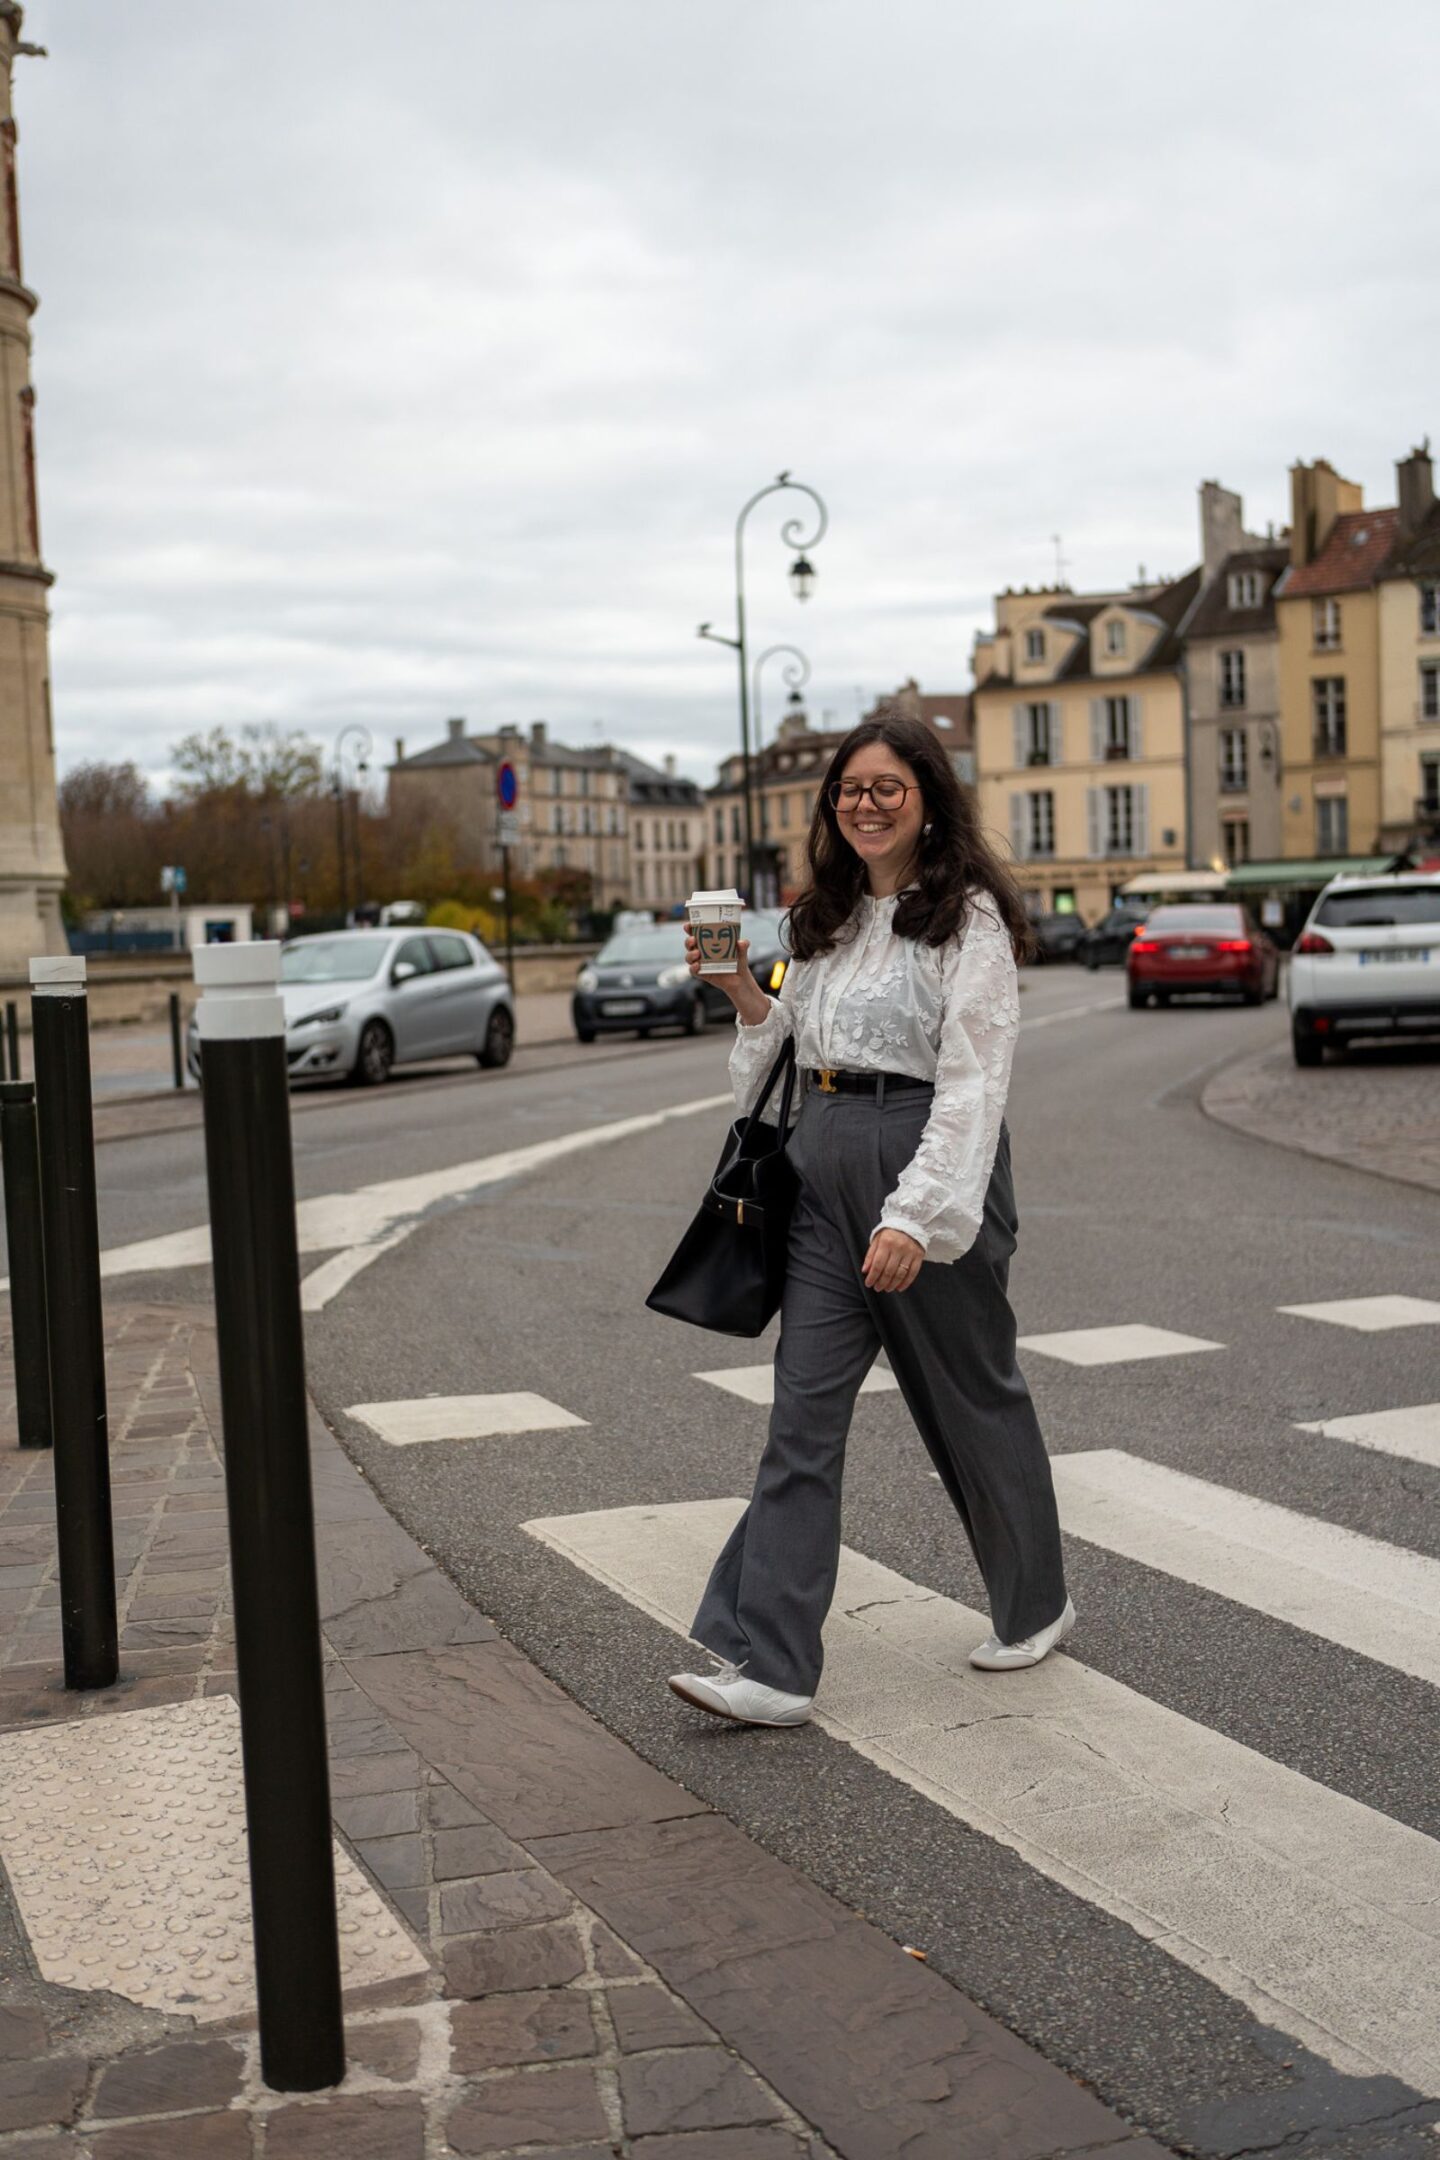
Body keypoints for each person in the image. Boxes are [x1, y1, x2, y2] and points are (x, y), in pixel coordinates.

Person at [667, 711, 1073, 1728]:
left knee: (971, 1398)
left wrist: (916, 1214)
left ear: (929, 798)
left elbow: (974, 1084)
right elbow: (785, 1056)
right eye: (851, 790)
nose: (866, 804)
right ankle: (772, 1665)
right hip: (819, 1178)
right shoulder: (826, 920)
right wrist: (736, 989)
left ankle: (1037, 1601)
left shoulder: (965, 920)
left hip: (922, 1166)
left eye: (888, 786)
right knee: (801, 1421)